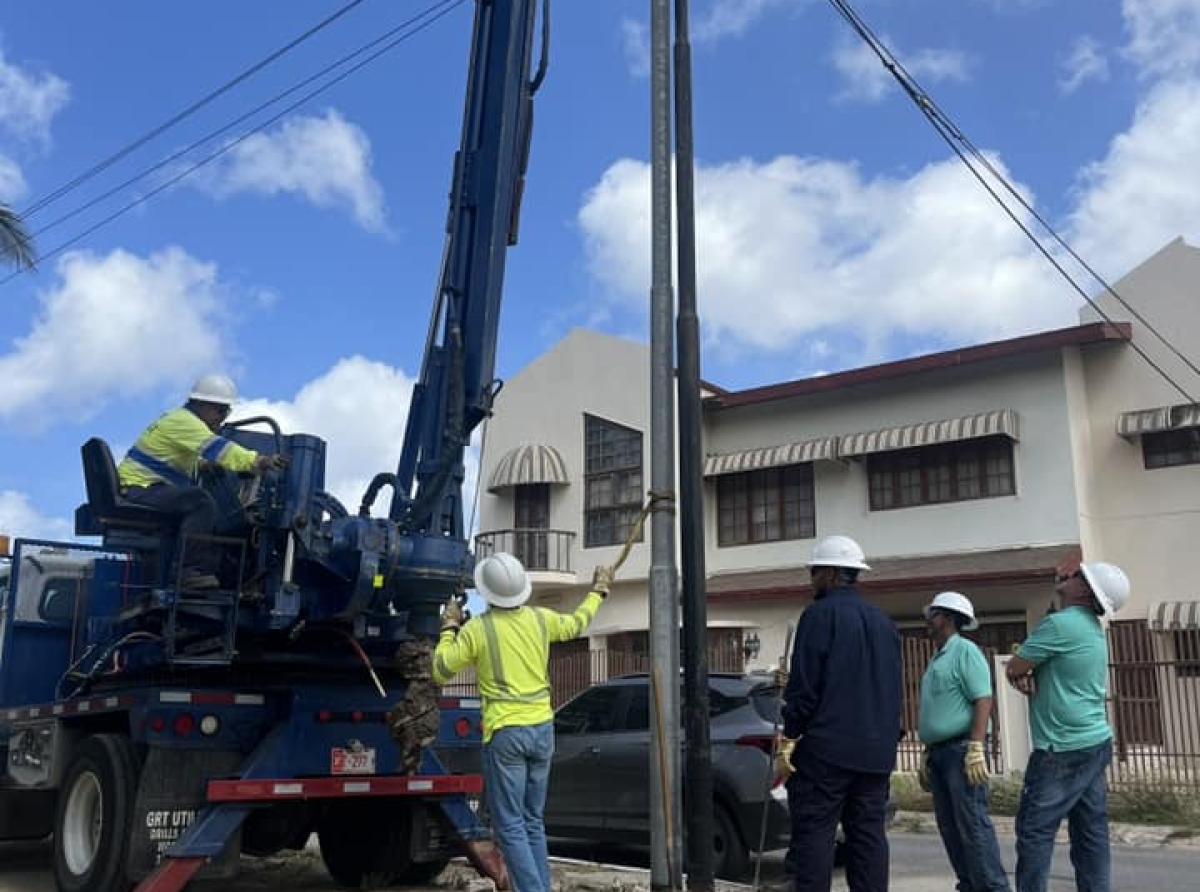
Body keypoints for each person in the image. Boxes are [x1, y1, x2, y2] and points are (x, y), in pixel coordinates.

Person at [432, 552, 610, 892]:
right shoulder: (540, 619)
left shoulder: (478, 630)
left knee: (510, 825)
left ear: (488, 593)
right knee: (531, 821)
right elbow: (577, 623)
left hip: (507, 733)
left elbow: (440, 669)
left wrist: (449, 627)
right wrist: (598, 590)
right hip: (543, 728)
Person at [776, 534, 902, 892]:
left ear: (830, 574)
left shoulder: (818, 615)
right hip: (876, 754)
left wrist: (790, 735)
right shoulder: (884, 622)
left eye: (814, 572)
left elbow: (804, 687)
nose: (811, 580)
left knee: (815, 839)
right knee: (868, 840)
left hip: (827, 751)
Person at [1004, 560, 1130, 892]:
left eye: (1077, 576)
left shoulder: (1059, 625)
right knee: (1090, 833)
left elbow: (1016, 666)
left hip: (1061, 749)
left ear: (1086, 591)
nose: (1068, 576)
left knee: (1035, 832)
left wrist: (1020, 675)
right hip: (1093, 742)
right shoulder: (1090, 627)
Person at [116, 373, 286, 590]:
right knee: (200, 502)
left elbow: (174, 461)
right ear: (201, 404)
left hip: (141, 487)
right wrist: (258, 461)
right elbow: (221, 449)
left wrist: (204, 466)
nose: (223, 417)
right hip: (139, 488)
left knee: (198, 503)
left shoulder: (178, 419)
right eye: (220, 410)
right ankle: (187, 572)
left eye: (227, 411)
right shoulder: (186, 423)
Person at [917, 591, 1010, 892]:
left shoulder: (965, 651)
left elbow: (983, 698)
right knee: (951, 828)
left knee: (972, 824)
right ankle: (970, 885)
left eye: (933, 615)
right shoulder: (937, 657)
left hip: (960, 751)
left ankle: (992, 888)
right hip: (940, 753)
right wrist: (926, 749)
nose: (928, 620)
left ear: (945, 618)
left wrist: (975, 746)